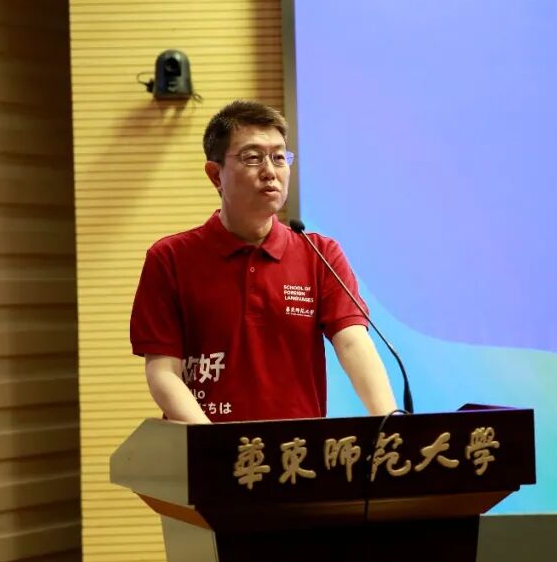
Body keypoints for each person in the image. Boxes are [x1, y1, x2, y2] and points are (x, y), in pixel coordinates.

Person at [129, 99, 397, 423]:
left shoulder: (320, 255)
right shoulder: (170, 258)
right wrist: (213, 443)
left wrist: (391, 425)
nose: (270, 171)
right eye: (252, 157)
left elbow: (353, 343)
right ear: (215, 175)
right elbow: (162, 372)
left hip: (298, 449)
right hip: (206, 446)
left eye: (279, 157)